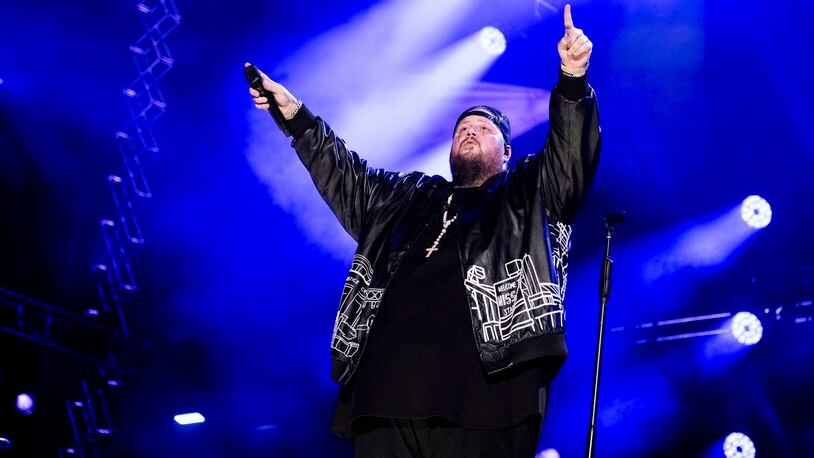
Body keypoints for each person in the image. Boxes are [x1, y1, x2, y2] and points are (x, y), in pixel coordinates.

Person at [248, 4, 599, 457]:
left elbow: (570, 159)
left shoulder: (528, 195)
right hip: (384, 399)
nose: (469, 132)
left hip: (488, 397)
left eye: (483, 128)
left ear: (508, 151)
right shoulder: (407, 198)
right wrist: (296, 118)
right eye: (462, 128)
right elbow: (345, 174)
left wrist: (572, 80)